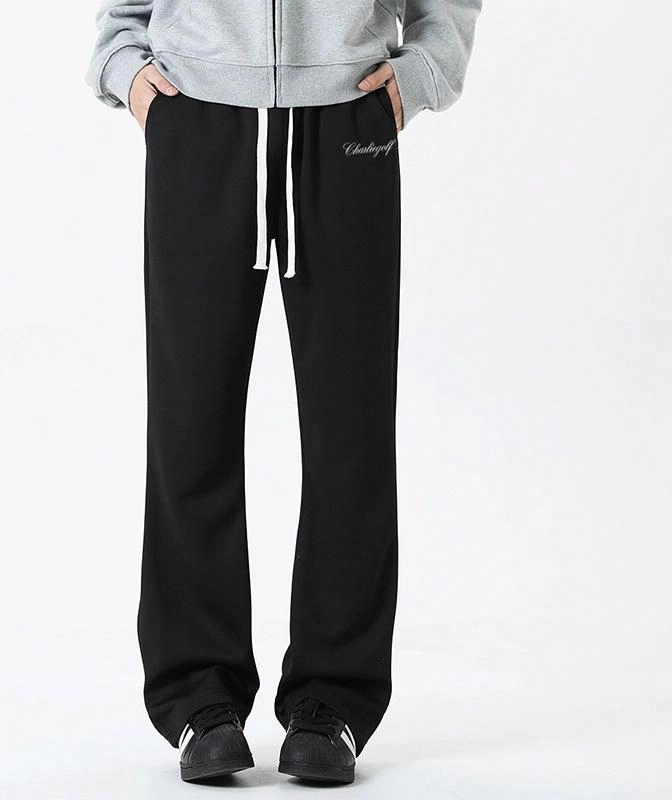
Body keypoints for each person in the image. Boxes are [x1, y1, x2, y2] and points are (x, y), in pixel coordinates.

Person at [87, 0, 480, 784]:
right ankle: (200, 699)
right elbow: (122, 15)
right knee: (189, 425)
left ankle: (333, 702)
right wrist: (126, 71)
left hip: (350, 118)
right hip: (196, 117)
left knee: (350, 433)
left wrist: (422, 74)